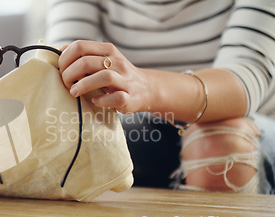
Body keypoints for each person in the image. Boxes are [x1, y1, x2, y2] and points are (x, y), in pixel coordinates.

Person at [45, 0, 275, 194]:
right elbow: (59, 68)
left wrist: (145, 86)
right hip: (137, 127)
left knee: (222, 143)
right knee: (59, 138)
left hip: (247, 125)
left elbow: (245, 80)